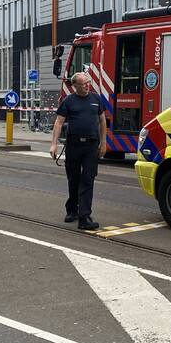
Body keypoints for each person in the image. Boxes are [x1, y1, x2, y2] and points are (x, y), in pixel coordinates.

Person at [50, 72, 106, 231]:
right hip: (74, 145)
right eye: (83, 84)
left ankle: (85, 217)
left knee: (88, 179)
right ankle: (72, 209)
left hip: (91, 146)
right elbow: (59, 123)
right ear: (75, 86)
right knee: (73, 179)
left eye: (88, 82)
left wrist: (103, 143)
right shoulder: (69, 101)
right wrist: (54, 144)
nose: (87, 85)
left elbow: (102, 122)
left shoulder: (96, 99)